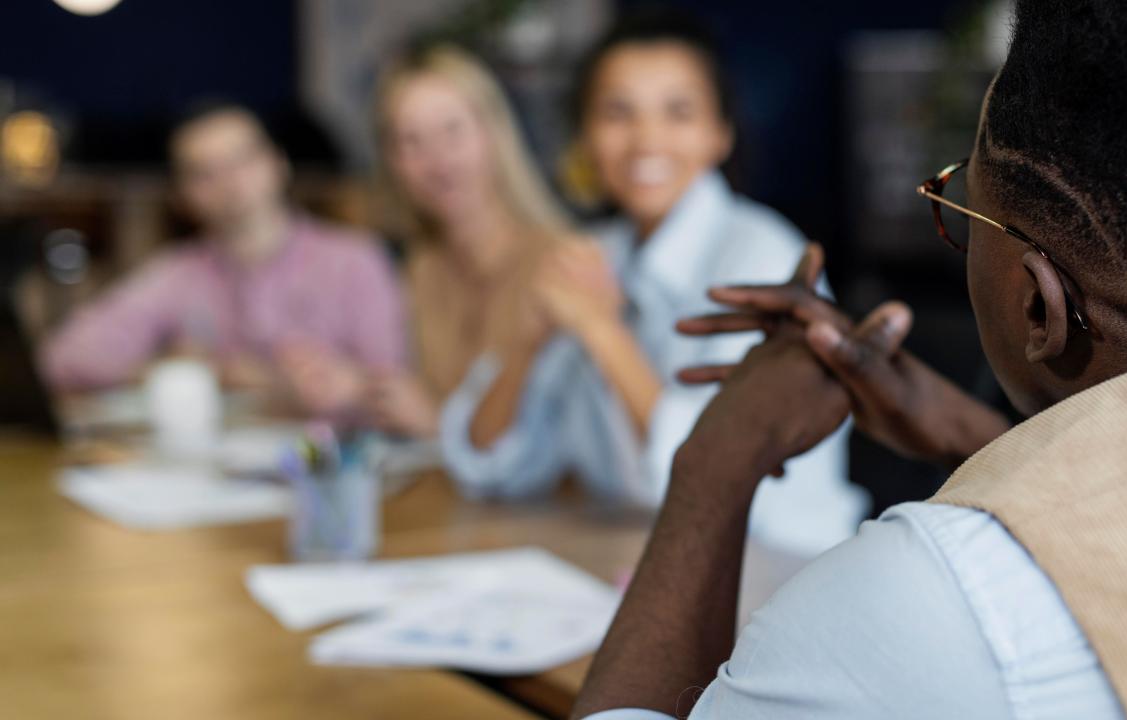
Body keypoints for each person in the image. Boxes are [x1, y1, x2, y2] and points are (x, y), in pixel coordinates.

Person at [572, 1, 1127, 718]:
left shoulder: (921, 601)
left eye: (961, 212)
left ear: (1038, 307)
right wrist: (966, 434)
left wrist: (717, 462)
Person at [440, 11, 867, 557]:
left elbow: (712, 475)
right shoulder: (598, 255)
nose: (646, 139)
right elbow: (489, 464)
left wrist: (600, 328)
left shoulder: (765, 258)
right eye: (618, 112)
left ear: (721, 134)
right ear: (586, 137)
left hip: (778, 564)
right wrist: (526, 342)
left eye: (678, 111)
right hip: (638, 558)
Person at [42, 104, 405, 419]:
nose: (229, 183)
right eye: (204, 172)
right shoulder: (177, 272)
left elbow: (394, 384)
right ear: (182, 196)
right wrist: (189, 371)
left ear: (278, 163)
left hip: (338, 467)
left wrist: (315, 382)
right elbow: (63, 359)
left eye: (241, 160)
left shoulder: (354, 260)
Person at [366, 45, 578, 441]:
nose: (438, 161)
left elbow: (562, 436)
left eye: (453, 130)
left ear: (493, 134)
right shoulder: (418, 271)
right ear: (392, 162)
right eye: (411, 141)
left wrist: (438, 424)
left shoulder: (563, 263)